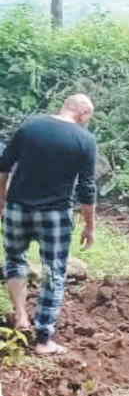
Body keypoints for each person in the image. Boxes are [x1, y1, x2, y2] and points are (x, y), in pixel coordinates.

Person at [0, 94, 97, 356]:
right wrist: (90, 226)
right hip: (54, 214)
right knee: (54, 272)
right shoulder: (85, 140)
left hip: (17, 208)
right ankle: (44, 340)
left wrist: (2, 201)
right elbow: (87, 188)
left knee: (14, 260)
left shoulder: (30, 126)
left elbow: (4, 166)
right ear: (83, 113)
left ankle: (21, 316)